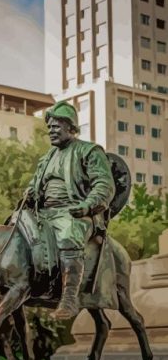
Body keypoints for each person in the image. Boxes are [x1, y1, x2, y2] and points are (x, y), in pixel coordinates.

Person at [24, 101, 115, 320]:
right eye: (49, 128)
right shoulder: (47, 158)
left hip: (76, 213)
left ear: (70, 127)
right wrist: (30, 193)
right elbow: (35, 183)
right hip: (45, 213)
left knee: (68, 233)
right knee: (15, 229)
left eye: (56, 127)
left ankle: (69, 298)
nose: (51, 131)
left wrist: (87, 206)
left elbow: (104, 184)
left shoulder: (89, 151)